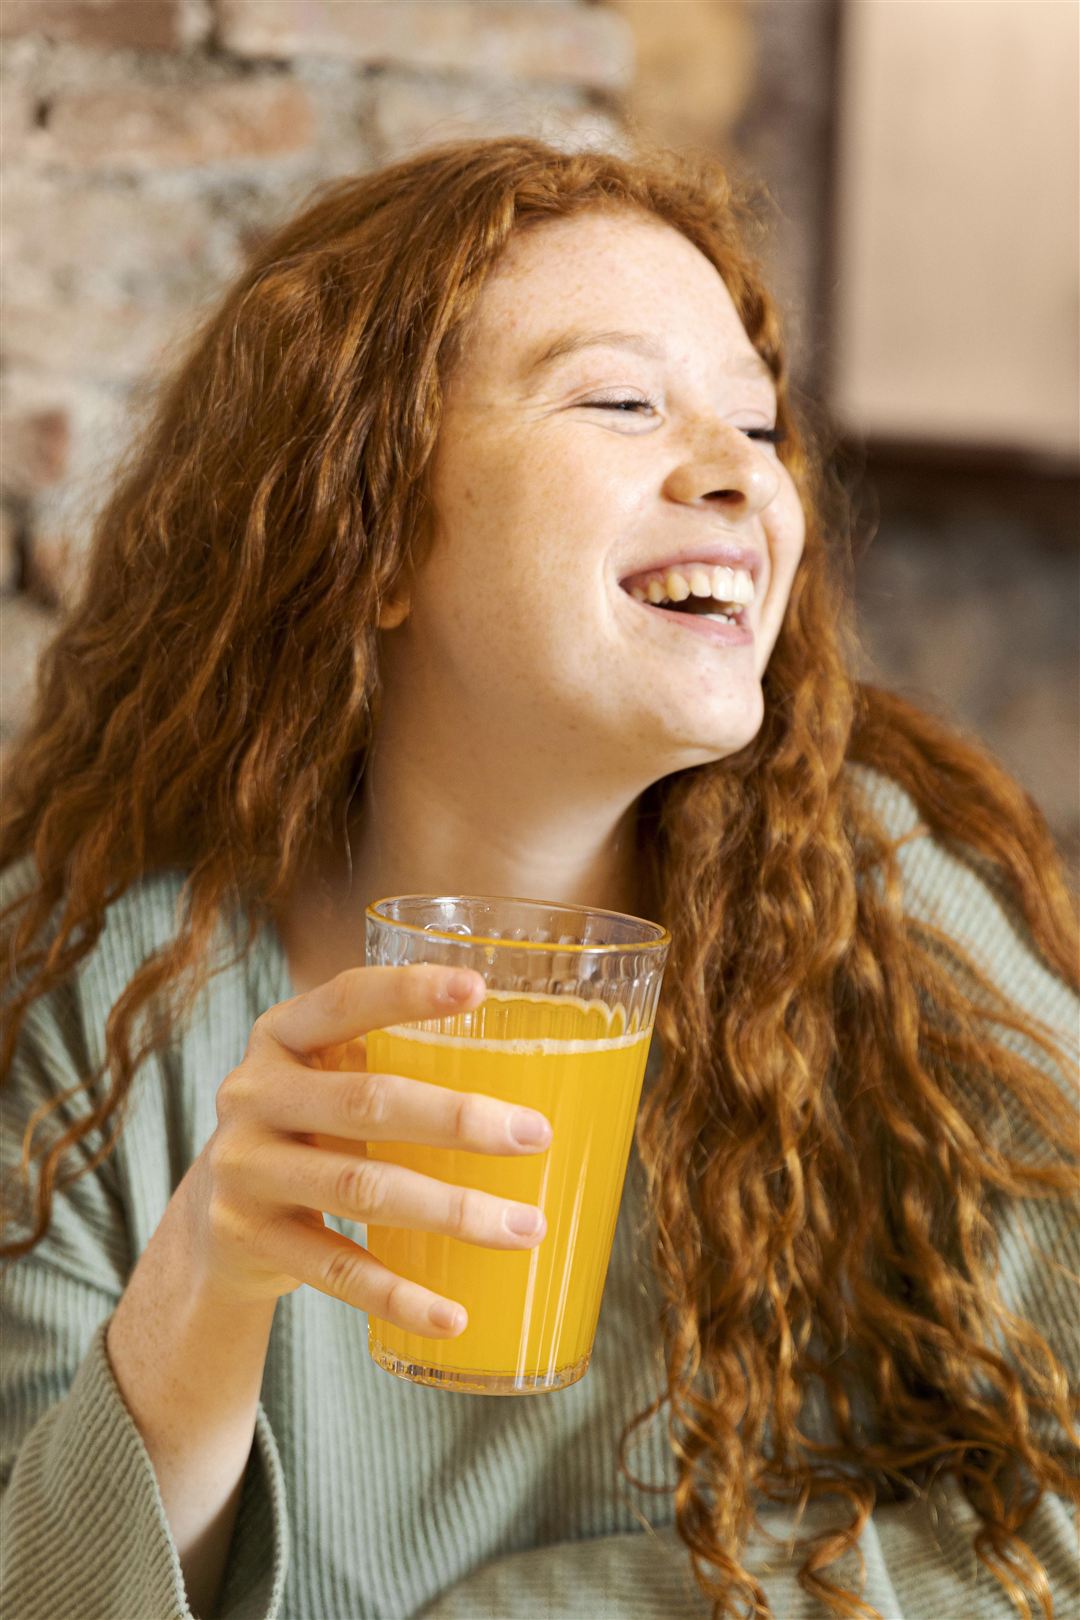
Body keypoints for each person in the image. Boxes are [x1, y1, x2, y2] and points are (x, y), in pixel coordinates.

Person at [1, 135, 1076, 1620]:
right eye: (623, 402)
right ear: (369, 531)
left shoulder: (876, 905)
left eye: (758, 426)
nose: (740, 477)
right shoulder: (88, 990)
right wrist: (195, 1304)